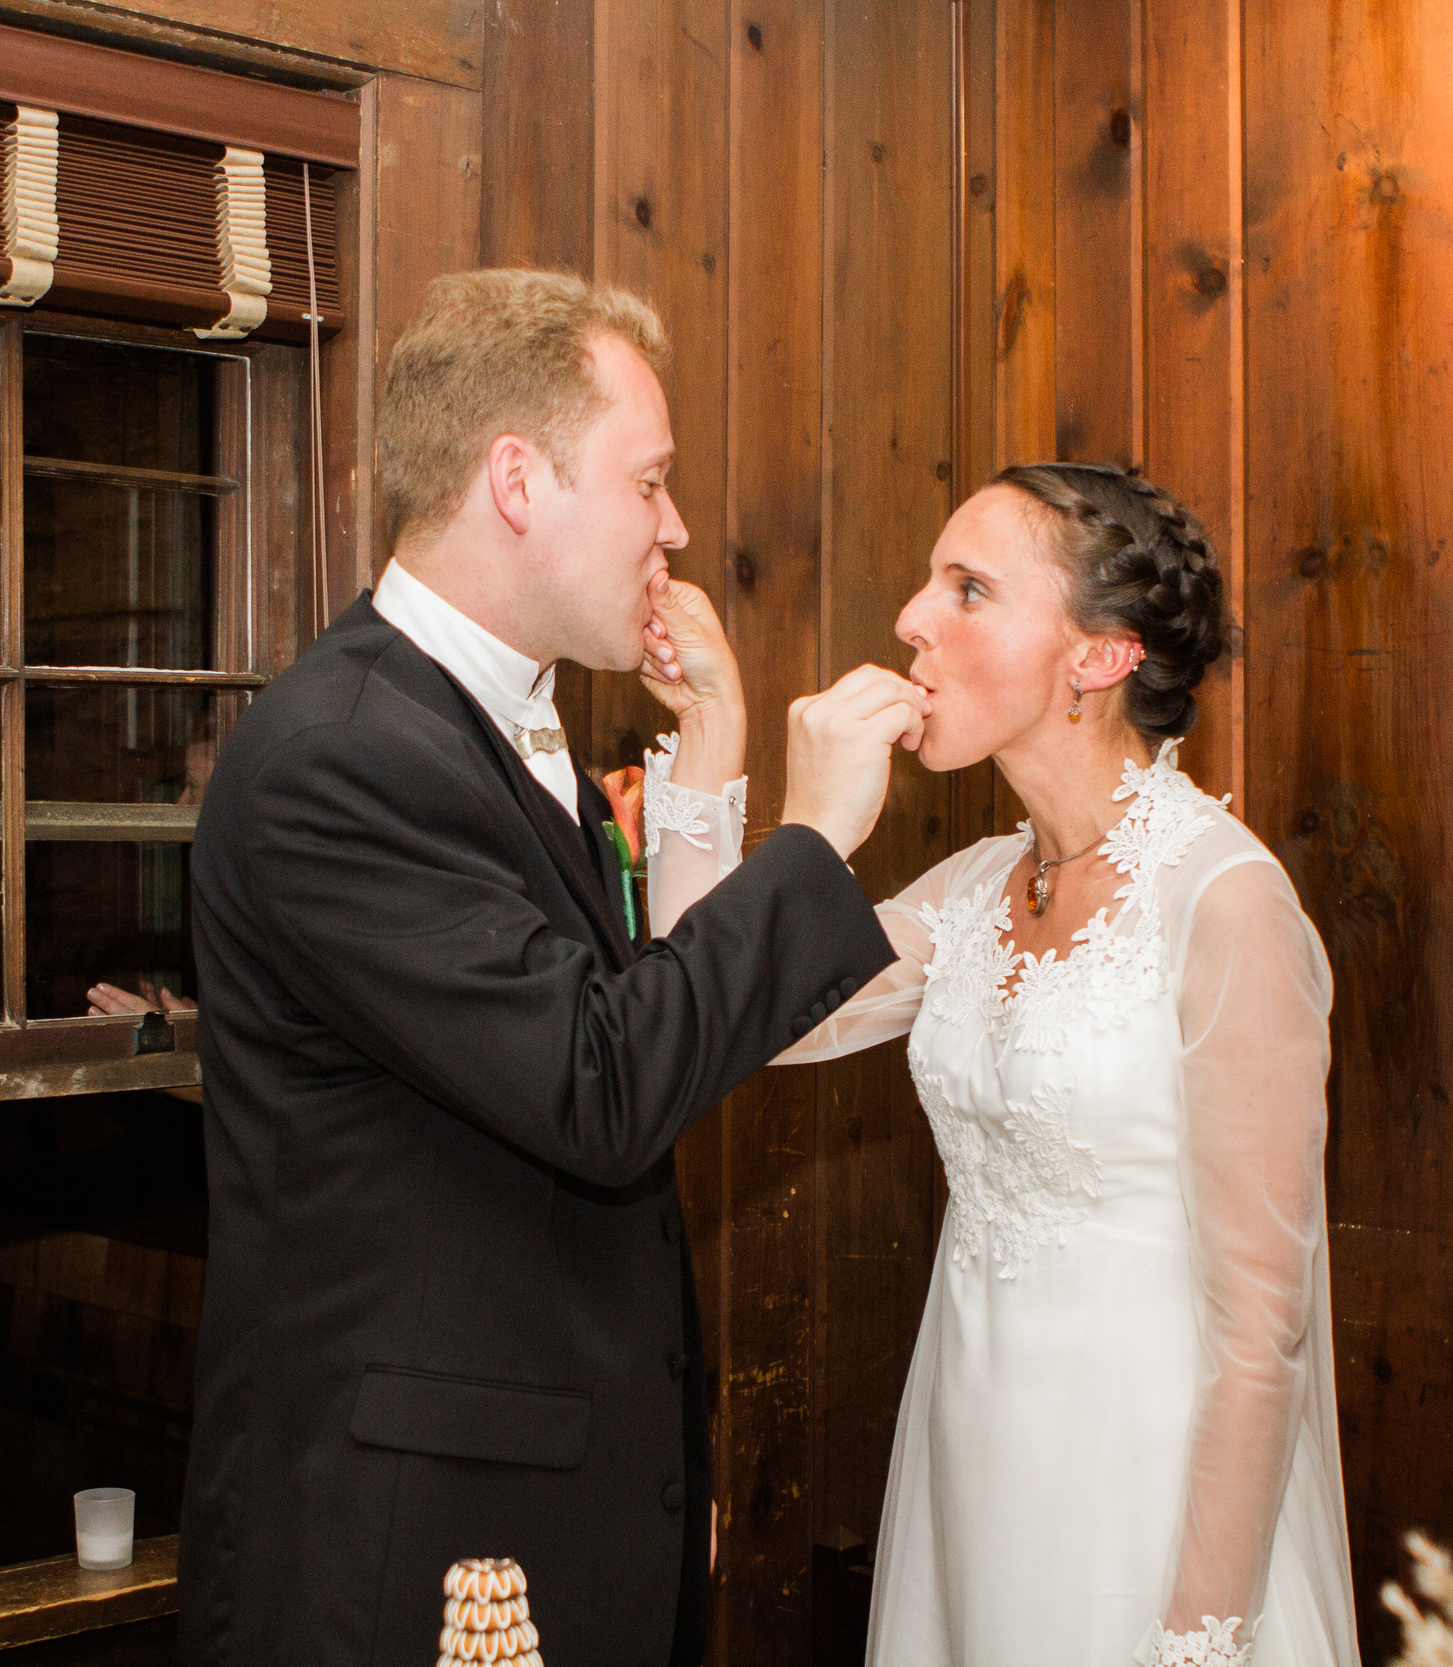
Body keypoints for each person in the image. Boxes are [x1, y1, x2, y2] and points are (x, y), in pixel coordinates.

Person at [177, 269, 925, 1667]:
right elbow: (600, 1083)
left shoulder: (489, 731)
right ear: (518, 480)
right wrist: (818, 832)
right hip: (410, 1547)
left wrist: (710, 751)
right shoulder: (340, 756)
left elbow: (614, 1020)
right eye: (649, 481)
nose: (676, 526)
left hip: (544, 1506)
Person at [644, 465, 1360, 1667]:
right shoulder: (977, 887)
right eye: (929, 582)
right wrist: (715, 728)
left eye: (967, 588)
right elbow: (730, 1014)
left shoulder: (1224, 903)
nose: (913, 619)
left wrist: (1196, 1636)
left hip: (1145, 1496)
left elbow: (1263, 1334)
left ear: (1097, 659)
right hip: (971, 1462)